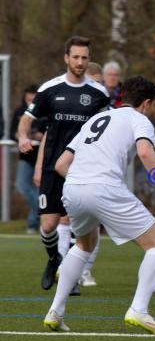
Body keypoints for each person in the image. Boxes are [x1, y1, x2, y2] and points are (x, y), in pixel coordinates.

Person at [42, 75, 155, 335]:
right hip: (104, 188)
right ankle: (139, 308)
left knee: (83, 245)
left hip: (73, 187)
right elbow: (146, 153)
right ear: (146, 103)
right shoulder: (139, 120)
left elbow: (61, 165)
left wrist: (84, 183)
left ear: (122, 96)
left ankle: (55, 311)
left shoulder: (96, 118)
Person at [18, 36, 110, 294]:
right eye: (76, 57)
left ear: (88, 59)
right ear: (66, 58)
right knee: (48, 226)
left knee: (75, 223)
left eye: (85, 58)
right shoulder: (50, 89)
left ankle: (70, 276)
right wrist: (24, 137)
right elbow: (27, 120)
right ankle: (52, 260)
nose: (80, 62)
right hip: (51, 168)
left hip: (83, 168)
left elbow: (109, 127)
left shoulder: (98, 93)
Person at [9, 85, 46, 234]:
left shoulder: (44, 111)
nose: (30, 102)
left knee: (39, 189)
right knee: (22, 185)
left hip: (41, 156)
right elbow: (12, 132)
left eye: (33, 99)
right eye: (28, 99)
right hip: (25, 156)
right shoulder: (19, 111)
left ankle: (32, 223)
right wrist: (20, 136)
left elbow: (49, 131)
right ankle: (40, 210)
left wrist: (40, 135)